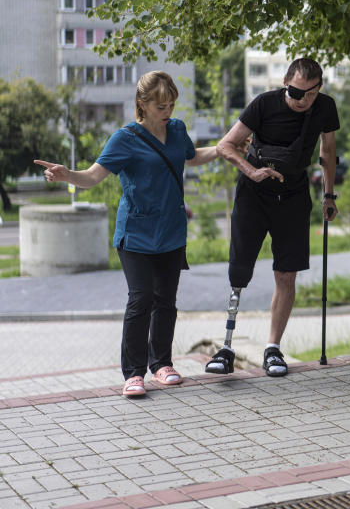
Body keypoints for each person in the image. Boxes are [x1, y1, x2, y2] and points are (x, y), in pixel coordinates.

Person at [35, 71, 219, 397]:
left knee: (166, 301)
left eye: (172, 104)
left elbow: (190, 158)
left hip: (171, 231)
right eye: (161, 105)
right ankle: (133, 373)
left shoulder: (176, 130)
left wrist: (222, 148)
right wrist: (67, 175)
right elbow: (92, 177)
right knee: (141, 298)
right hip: (136, 234)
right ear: (142, 104)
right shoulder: (125, 138)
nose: (168, 111)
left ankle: (161, 364)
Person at [205, 57, 339, 377]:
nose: (301, 99)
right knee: (239, 270)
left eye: (309, 93)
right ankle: (226, 347)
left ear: (319, 88)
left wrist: (330, 194)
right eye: (295, 92)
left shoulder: (325, 108)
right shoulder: (263, 104)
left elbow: (328, 152)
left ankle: (273, 348)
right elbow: (225, 146)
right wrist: (252, 171)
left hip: (293, 196)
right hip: (254, 194)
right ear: (285, 82)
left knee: (286, 274)